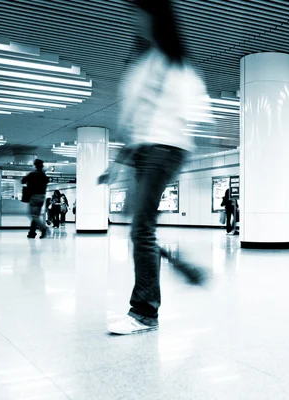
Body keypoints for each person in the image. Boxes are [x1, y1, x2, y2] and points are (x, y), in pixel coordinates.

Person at [107, 0, 210, 336]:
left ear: (153, 17)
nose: (132, 20)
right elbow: (134, 120)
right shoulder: (144, 62)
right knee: (137, 225)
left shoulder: (173, 63)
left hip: (164, 149)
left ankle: (144, 312)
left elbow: (194, 113)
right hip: (146, 150)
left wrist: (187, 153)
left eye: (138, 13)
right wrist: (117, 161)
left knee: (141, 228)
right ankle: (179, 273)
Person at [21, 159, 49, 239]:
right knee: (36, 215)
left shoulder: (32, 174)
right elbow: (47, 181)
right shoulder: (44, 175)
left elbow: (22, 181)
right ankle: (32, 233)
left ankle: (44, 228)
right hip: (42, 197)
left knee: (33, 215)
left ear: (35, 165)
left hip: (34, 196)